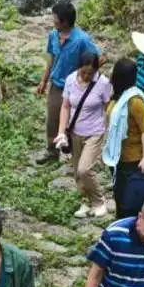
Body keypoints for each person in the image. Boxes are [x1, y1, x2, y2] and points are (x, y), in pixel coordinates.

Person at [35, 0, 100, 165]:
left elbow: (99, 58)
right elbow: (51, 59)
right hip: (56, 85)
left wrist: (85, 77)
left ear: (65, 22)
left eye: (55, 19)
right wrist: (44, 81)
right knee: (53, 119)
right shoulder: (53, 36)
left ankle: (75, 153)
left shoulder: (82, 40)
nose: (53, 21)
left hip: (75, 87)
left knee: (74, 121)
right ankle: (52, 151)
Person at [54, 50, 113, 219]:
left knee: (84, 169)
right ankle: (85, 201)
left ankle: (99, 201)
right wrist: (61, 132)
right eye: (83, 72)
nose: (87, 76)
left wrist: (109, 130)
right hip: (75, 132)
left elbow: (108, 107)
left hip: (94, 132)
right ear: (78, 68)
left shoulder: (103, 83)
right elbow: (66, 106)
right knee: (77, 172)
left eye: (90, 73)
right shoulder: (70, 80)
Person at [103, 57, 144, 219]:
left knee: (132, 205)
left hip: (136, 161)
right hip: (119, 159)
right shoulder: (117, 97)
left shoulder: (135, 101)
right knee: (120, 202)